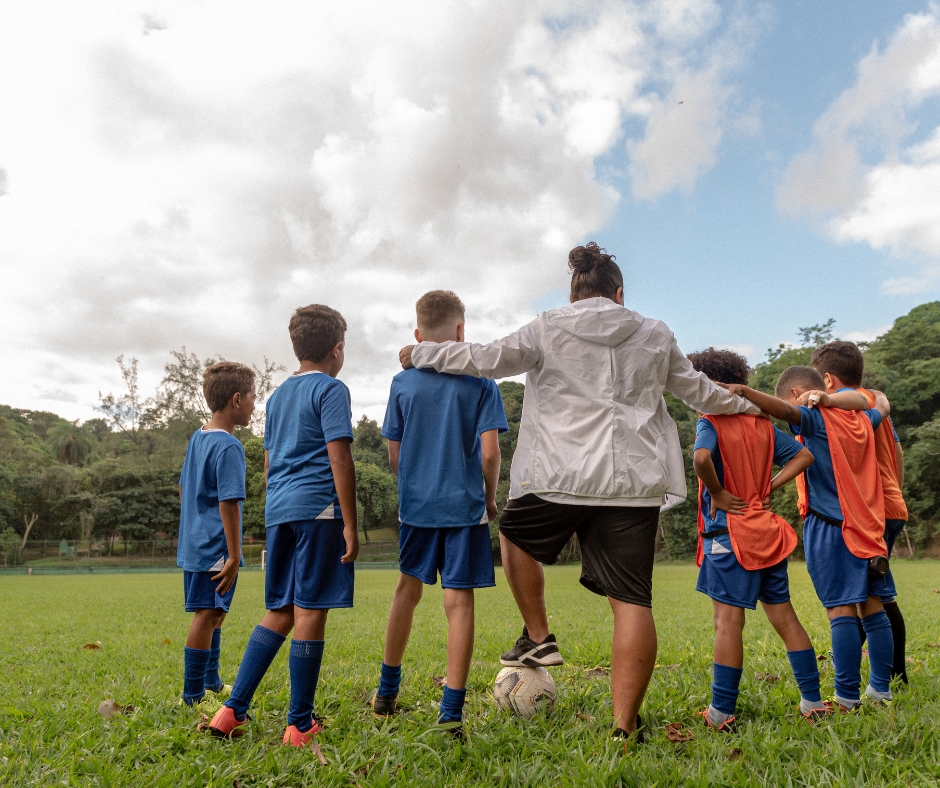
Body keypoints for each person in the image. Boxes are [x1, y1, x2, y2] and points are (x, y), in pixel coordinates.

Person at [399, 242, 759, 740]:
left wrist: (420, 351)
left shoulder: (548, 325)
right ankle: (623, 725)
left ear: (573, 295)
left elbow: (483, 358)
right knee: (632, 601)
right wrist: (752, 407)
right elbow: (699, 391)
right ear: (619, 292)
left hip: (559, 476)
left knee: (514, 534)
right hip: (632, 484)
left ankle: (540, 635)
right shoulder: (654, 332)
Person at [209, 305, 360, 745]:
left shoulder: (276, 397)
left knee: (281, 609)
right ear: (337, 349)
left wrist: (276, 506)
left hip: (280, 511)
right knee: (310, 609)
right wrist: (349, 523)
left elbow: (270, 461)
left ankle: (230, 711)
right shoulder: (332, 390)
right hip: (318, 510)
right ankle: (299, 723)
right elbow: (340, 456)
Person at [370, 291, 508, 734]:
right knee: (458, 601)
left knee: (405, 593)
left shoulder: (402, 383)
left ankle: (387, 692)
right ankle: (451, 712)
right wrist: (488, 497)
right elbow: (490, 454)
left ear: (418, 335)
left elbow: (393, 455)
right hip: (464, 508)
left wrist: (413, 483)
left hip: (417, 508)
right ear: (461, 332)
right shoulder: (482, 381)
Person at [723, 368, 895, 711]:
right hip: (870, 527)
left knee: (840, 610)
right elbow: (883, 402)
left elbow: (786, 412)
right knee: (874, 609)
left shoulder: (816, 418)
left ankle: (846, 697)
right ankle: (880, 691)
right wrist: (837, 398)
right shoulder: (862, 420)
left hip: (832, 527)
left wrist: (743, 390)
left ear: (799, 393)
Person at [687, 348, 829, 730]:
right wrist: (769, 486)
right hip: (767, 533)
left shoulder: (711, 421)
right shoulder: (762, 424)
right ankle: (813, 702)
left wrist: (716, 492)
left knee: (727, 623)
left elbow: (701, 459)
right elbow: (803, 456)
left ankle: (721, 712)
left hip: (730, 536)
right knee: (785, 618)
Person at [811, 340, 909, 684]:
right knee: (871, 591)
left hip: (869, 509)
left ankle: (888, 673)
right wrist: (893, 488)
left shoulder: (853, 405)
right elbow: (896, 451)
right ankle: (882, 671)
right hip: (888, 504)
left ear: (827, 379)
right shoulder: (875, 405)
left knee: (871, 595)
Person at [177, 362, 256, 708]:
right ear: (236, 400)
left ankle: (210, 681)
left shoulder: (198, 437)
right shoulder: (228, 447)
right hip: (214, 549)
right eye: (253, 396)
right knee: (206, 614)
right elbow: (229, 505)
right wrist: (235, 555)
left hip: (195, 542)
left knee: (216, 612)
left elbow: (183, 488)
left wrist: (195, 521)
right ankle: (192, 695)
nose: (256, 404)